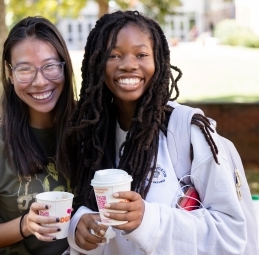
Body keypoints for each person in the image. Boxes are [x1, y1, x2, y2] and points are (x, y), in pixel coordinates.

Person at [60, 10, 247, 255]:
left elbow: (230, 234)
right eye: (114, 55)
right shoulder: (92, 135)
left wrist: (147, 220)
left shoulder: (189, 132)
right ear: (98, 64)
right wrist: (78, 225)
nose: (128, 64)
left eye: (141, 54)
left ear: (158, 60)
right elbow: (86, 208)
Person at [0, 16, 77, 255]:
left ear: (64, 67)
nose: (40, 81)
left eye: (50, 66)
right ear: (10, 74)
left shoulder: (88, 126)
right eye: (25, 69)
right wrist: (25, 225)